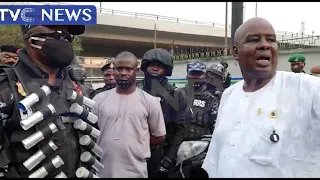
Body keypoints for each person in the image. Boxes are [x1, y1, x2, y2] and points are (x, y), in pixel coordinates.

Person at [202, 17, 320, 178]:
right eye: (254, 40)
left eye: (271, 40)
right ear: (235, 52)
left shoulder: (306, 88)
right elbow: (216, 157)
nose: (265, 45)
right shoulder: (229, 95)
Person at [0, 25, 103, 178]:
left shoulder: (76, 84)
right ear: (32, 40)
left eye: (67, 37)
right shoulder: (7, 87)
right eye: (57, 35)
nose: (64, 41)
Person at [93, 51, 166, 178]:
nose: (123, 73)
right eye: (119, 68)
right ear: (114, 70)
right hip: (102, 170)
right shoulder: (99, 99)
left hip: (136, 171)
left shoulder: (150, 101)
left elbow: (159, 136)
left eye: (128, 69)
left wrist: (136, 141)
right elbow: (91, 132)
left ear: (136, 71)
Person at [139, 48, 186, 178]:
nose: (155, 68)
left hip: (160, 152)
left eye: (159, 66)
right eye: (152, 64)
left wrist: (169, 159)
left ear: (166, 69)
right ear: (145, 66)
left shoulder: (175, 94)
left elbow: (180, 129)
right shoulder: (134, 90)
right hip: (134, 150)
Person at [180, 61, 219, 140]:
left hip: (201, 146)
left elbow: (216, 126)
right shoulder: (177, 95)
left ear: (204, 76)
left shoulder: (211, 99)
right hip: (178, 145)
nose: (195, 77)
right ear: (187, 75)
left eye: (198, 74)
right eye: (192, 73)